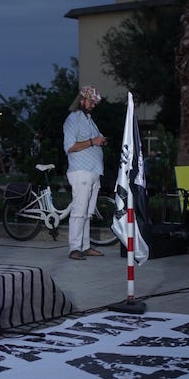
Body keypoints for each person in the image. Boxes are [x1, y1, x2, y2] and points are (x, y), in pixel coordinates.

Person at [63, 85, 107, 260]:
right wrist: (93, 141)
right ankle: (74, 248)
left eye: (95, 103)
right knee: (79, 211)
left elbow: (95, 140)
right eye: (91, 102)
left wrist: (101, 141)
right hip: (81, 171)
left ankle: (85, 246)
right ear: (82, 100)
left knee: (87, 212)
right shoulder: (73, 119)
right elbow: (70, 147)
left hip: (93, 172)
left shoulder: (88, 119)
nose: (93, 105)